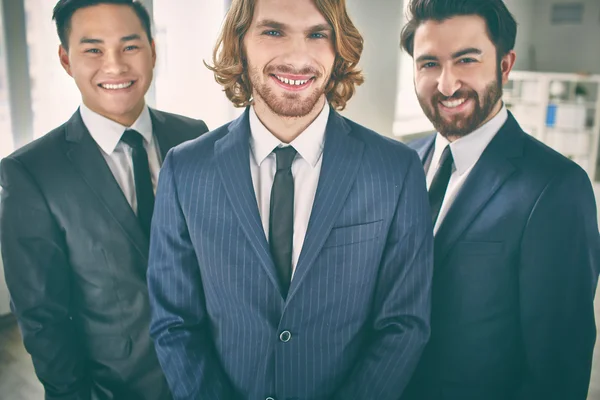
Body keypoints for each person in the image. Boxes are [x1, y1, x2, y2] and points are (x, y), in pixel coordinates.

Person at [146, 0, 434, 398]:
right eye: (273, 31)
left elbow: (403, 324)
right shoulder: (185, 170)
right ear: (240, 42)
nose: (298, 57)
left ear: (338, 50)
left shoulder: (396, 170)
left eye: (318, 34)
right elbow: (174, 321)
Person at [0, 1, 208, 398]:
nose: (114, 66)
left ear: (152, 49)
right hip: (115, 387)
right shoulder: (31, 172)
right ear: (65, 58)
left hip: (209, 374)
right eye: (93, 49)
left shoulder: (193, 136)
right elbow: (42, 316)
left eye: (130, 46)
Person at [399, 0, 600, 399]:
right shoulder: (401, 165)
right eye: (429, 64)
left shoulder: (557, 188)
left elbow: (557, 370)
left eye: (467, 60)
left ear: (504, 65)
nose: (446, 84)